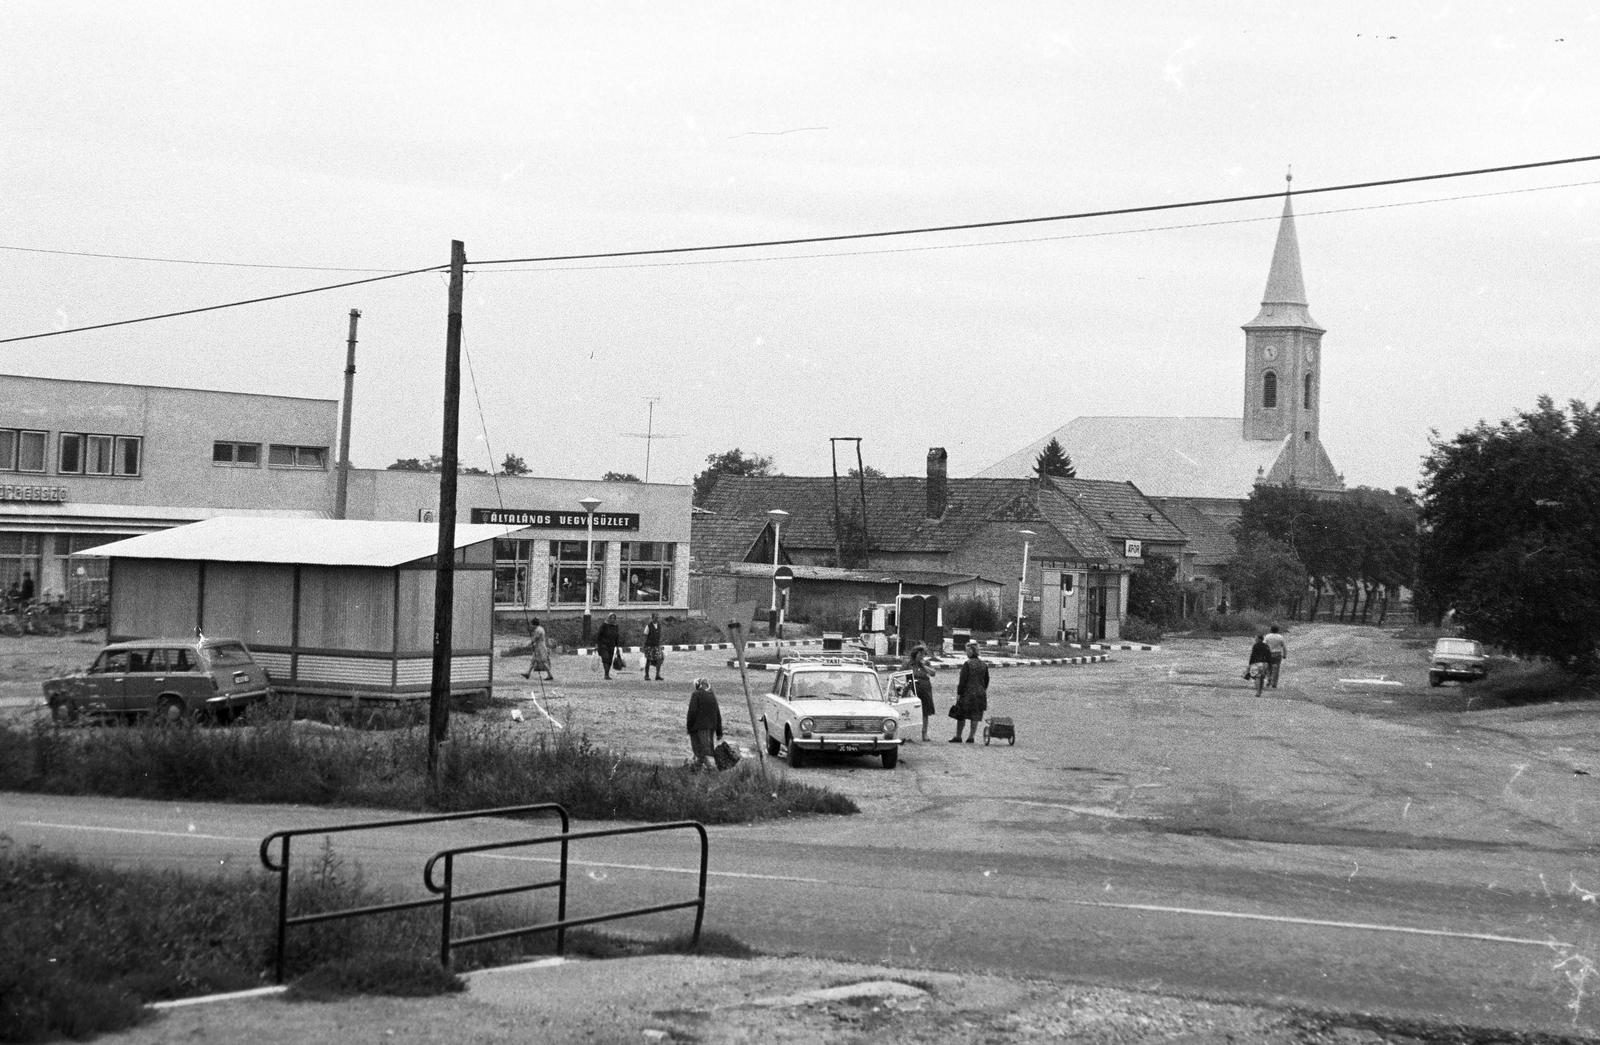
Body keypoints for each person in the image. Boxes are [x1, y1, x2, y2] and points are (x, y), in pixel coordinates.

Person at [951, 643, 989, 743]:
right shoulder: (984, 664)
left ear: (972, 651)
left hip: (967, 693)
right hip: (980, 694)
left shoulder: (967, 664)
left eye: (967, 650)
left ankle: (958, 736)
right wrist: (982, 689)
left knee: (961, 714)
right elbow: (987, 680)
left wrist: (959, 694)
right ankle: (971, 737)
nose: (966, 652)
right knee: (975, 715)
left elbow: (962, 680)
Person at [685, 677, 723, 771]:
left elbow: (692, 712)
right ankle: (697, 770)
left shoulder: (696, 695)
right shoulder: (712, 695)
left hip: (698, 729)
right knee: (707, 750)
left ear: (698, 685)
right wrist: (719, 732)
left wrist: (689, 727)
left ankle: (711, 770)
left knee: (701, 752)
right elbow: (718, 714)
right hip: (711, 729)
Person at [905, 643, 937, 741]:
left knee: (925, 712)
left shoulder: (926, 663)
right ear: (915, 654)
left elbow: (933, 673)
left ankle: (924, 733)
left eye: (923, 654)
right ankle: (909, 734)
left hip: (925, 689)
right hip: (912, 688)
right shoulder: (909, 663)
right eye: (920, 654)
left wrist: (924, 666)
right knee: (910, 712)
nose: (922, 656)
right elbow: (901, 673)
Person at [596, 612, 622, 680]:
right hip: (603, 645)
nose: (612, 619)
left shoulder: (616, 626)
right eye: (611, 618)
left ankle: (607, 674)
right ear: (608, 618)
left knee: (610, 660)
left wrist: (617, 646)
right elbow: (599, 635)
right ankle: (606, 674)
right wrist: (597, 645)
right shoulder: (604, 625)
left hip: (612, 645)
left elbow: (617, 636)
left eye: (614, 618)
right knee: (606, 658)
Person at [642, 612, 665, 682]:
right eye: (655, 617)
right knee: (648, 660)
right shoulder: (648, 626)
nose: (657, 619)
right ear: (652, 618)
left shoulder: (659, 625)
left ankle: (657, 675)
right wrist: (644, 646)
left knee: (659, 659)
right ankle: (646, 675)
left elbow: (659, 635)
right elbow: (645, 636)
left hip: (657, 645)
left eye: (658, 617)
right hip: (649, 646)